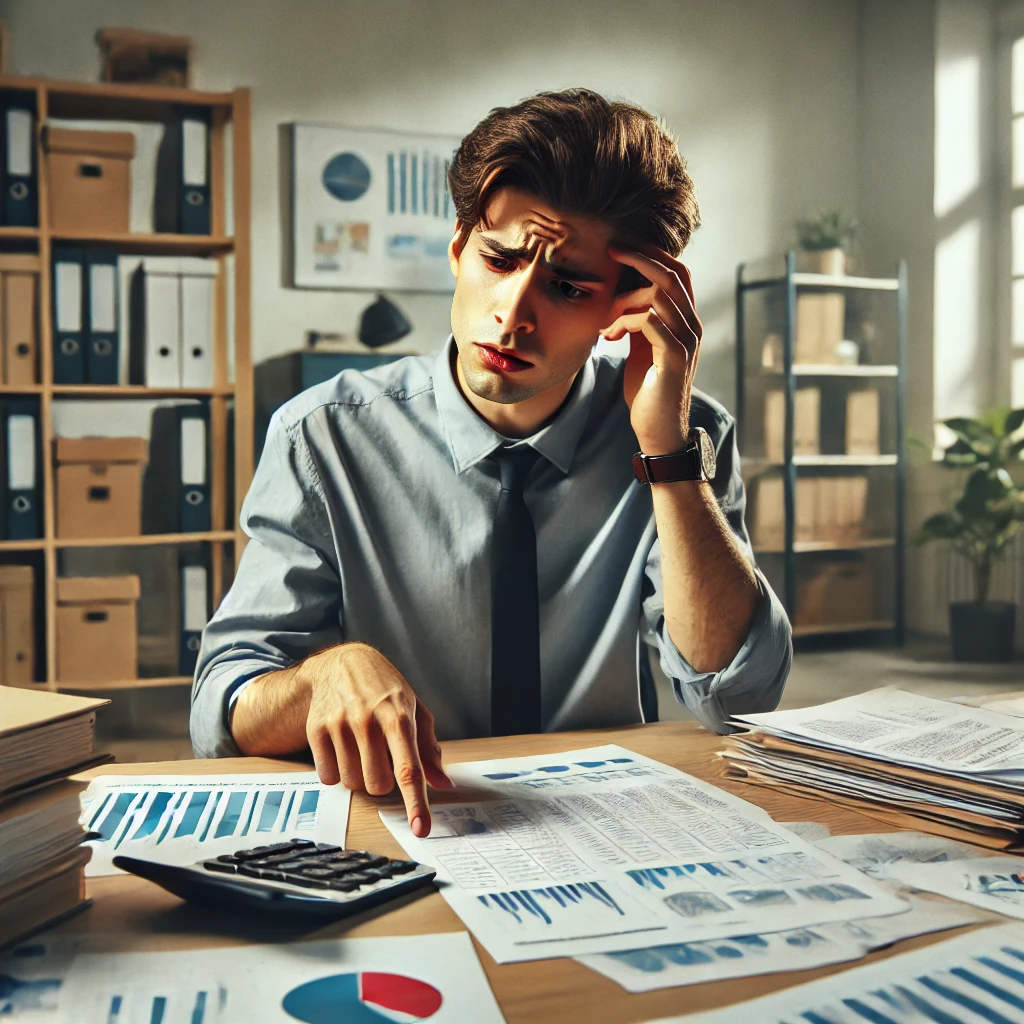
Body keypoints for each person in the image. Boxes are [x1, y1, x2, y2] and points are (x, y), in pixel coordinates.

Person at [191, 88, 791, 839]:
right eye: (498, 259)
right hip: (407, 823)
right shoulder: (323, 436)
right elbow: (222, 707)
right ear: (457, 248)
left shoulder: (684, 437)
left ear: (629, 303)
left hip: (610, 825)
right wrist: (318, 677)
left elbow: (736, 696)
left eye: (566, 285)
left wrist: (667, 455)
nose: (512, 313)